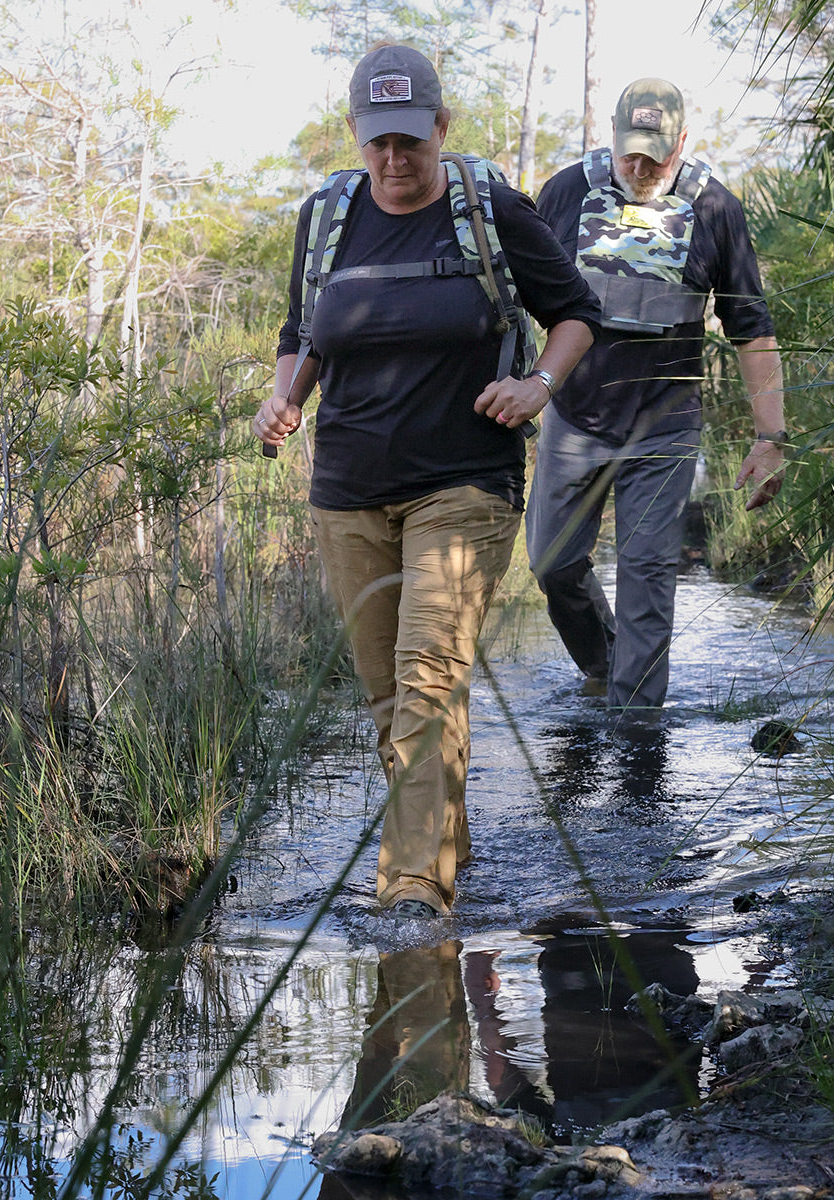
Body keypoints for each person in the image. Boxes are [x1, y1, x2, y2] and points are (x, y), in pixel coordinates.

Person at [253, 43, 601, 918]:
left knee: (427, 679)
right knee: (388, 699)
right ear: (356, 135)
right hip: (349, 489)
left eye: (412, 140)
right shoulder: (325, 217)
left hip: (466, 480)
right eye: (379, 142)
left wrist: (537, 385)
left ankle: (411, 898)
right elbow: (305, 334)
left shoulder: (492, 211)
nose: (396, 160)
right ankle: (449, 853)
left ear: (442, 127)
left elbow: (576, 315)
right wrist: (281, 397)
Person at [529, 77, 786, 714]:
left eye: (656, 154)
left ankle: (638, 728)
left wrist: (771, 438)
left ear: (684, 144)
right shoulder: (565, 193)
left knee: (647, 578)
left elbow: (752, 329)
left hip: (664, 426)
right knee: (551, 564)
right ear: (611, 138)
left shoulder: (716, 210)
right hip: (574, 417)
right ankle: (604, 664)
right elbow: (515, 297)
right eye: (630, 152)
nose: (640, 166)